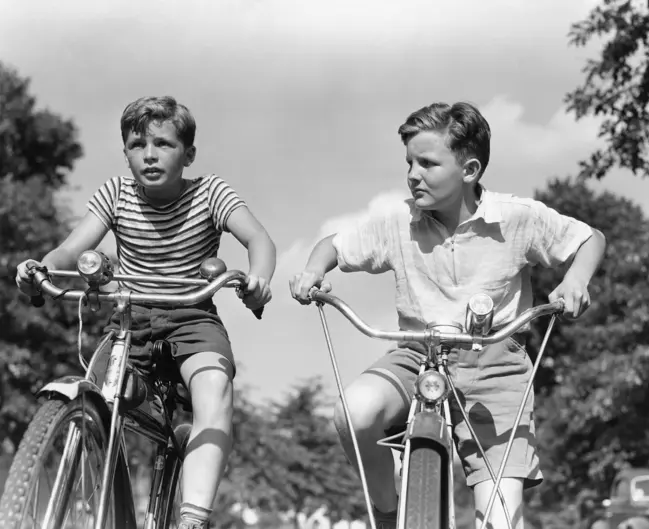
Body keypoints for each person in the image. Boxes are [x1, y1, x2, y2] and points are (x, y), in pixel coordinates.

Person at [290, 101, 606, 529]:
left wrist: (576, 281)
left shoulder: (516, 218)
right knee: (355, 411)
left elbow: (590, 239)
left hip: (496, 367)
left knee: (500, 519)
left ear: (470, 170)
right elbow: (333, 245)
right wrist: (312, 270)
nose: (412, 174)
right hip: (417, 357)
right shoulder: (398, 223)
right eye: (409, 163)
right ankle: (387, 511)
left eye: (427, 163)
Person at [15, 95, 276, 529]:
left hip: (191, 316)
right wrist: (42, 267)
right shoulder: (115, 194)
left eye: (163, 144)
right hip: (128, 319)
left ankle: (192, 519)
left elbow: (259, 241)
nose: (149, 155)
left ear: (188, 153)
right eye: (137, 145)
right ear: (125, 153)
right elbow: (70, 249)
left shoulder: (210, 192)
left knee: (214, 385)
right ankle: (99, 504)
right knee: (97, 396)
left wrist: (259, 280)